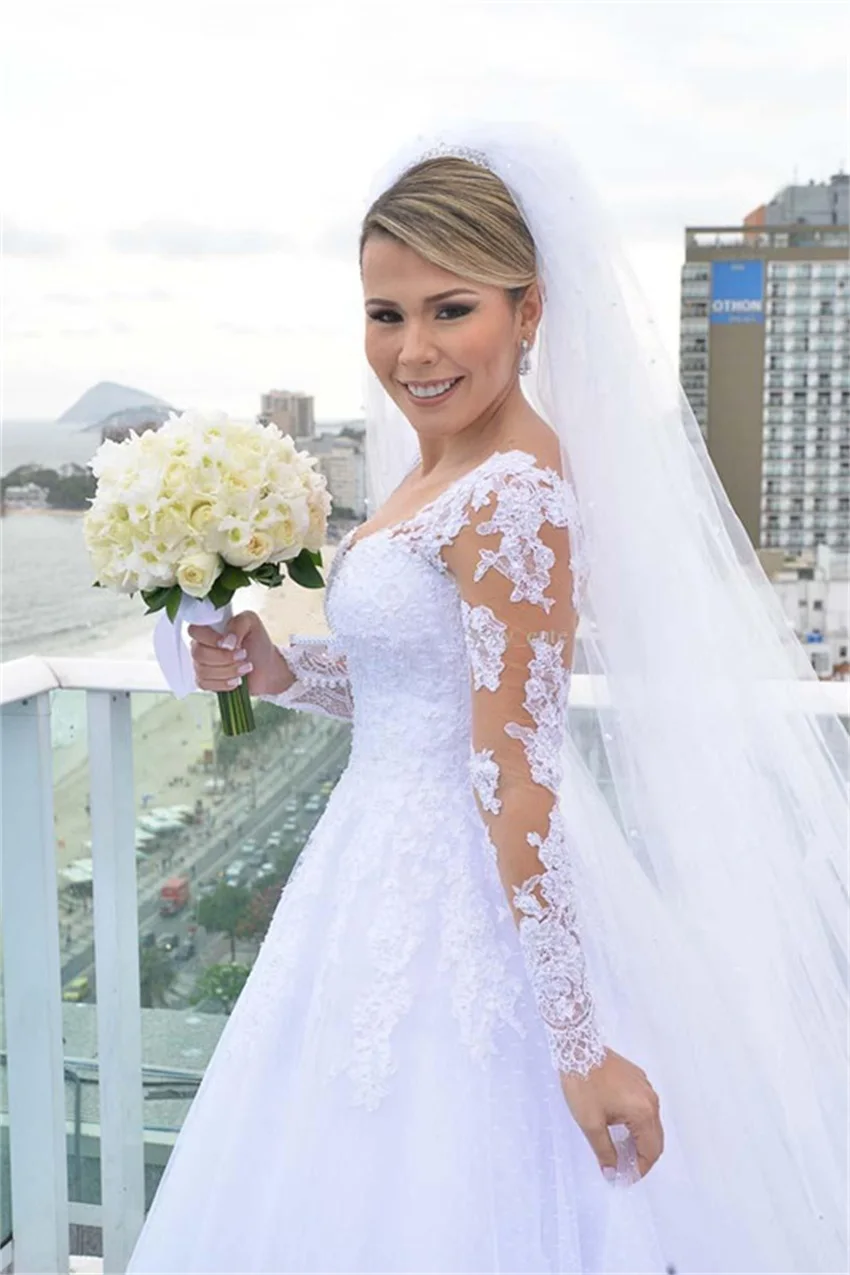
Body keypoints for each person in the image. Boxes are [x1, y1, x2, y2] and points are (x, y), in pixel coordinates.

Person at [126, 122, 849, 1273]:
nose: (413, 350)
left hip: (466, 905)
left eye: (450, 309)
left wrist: (578, 1047)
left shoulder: (515, 490)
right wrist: (274, 665)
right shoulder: (433, 468)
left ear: (529, 311)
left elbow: (515, 772)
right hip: (372, 874)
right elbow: (421, 693)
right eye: (385, 313)